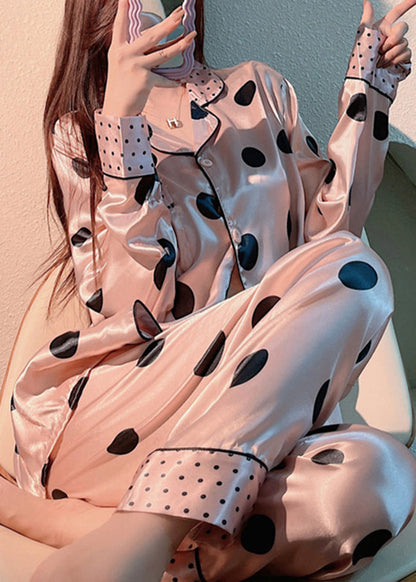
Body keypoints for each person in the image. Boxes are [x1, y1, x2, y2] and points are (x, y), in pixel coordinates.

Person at [2, 0, 416, 580]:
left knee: (382, 474)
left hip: (251, 439)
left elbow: (331, 244)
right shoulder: (82, 131)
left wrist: (371, 89)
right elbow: (130, 313)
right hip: (128, 410)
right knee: (354, 269)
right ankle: (151, 530)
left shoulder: (262, 90)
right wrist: (122, 123)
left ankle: (112, 530)